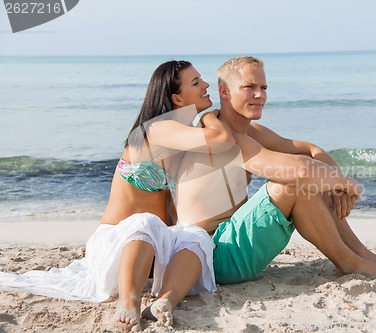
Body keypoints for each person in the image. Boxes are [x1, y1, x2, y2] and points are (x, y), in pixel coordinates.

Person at [0, 60, 235, 332]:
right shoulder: (157, 129)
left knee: (194, 235)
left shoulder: (183, 137)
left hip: (153, 254)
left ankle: (165, 302)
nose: (206, 85)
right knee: (144, 221)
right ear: (176, 97)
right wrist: (208, 116)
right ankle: (130, 302)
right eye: (196, 82)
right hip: (119, 246)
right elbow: (222, 140)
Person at [173, 56, 376, 286]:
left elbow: (309, 151)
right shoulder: (221, 137)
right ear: (225, 92)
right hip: (211, 255)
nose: (259, 95)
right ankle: (348, 262)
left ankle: (359, 254)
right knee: (293, 183)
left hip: (232, 242)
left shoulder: (251, 132)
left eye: (263, 87)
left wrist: (335, 187)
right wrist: (345, 183)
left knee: (311, 177)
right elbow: (300, 171)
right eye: (249, 87)